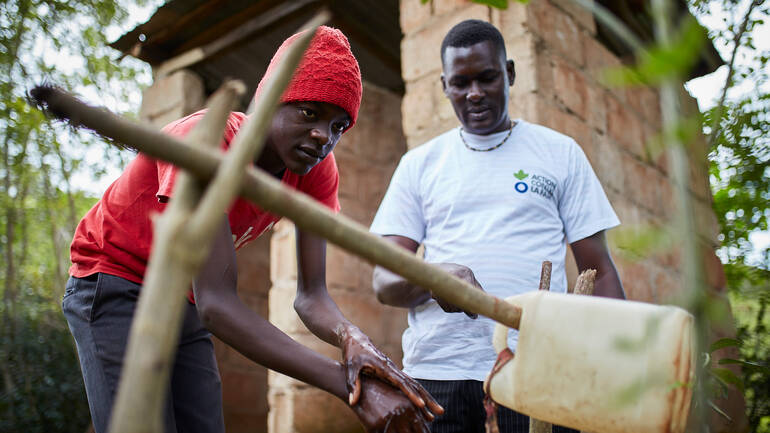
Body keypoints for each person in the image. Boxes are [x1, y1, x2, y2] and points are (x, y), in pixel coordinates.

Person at [63, 26, 440, 433]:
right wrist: (353, 387)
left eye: (338, 127)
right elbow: (218, 305)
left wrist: (354, 340)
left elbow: (311, 297)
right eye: (310, 113)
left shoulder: (315, 170)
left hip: (181, 295)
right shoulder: (207, 140)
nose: (322, 137)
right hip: (112, 279)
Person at [370, 19, 626, 433]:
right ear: (443, 85)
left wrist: (618, 358)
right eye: (460, 82)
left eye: (487, 78)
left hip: (538, 370)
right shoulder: (419, 165)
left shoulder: (560, 153)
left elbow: (600, 270)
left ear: (509, 72)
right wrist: (436, 279)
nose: (474, 93)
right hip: (438, 374)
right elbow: (384, 281)